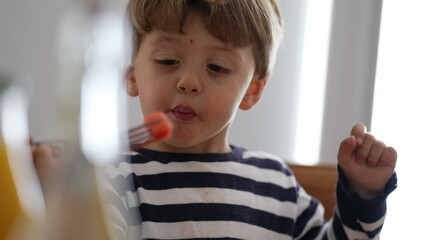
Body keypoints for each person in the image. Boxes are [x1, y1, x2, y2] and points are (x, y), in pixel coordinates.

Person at [33, 0, 398, 239]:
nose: (189, 82)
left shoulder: (276, 185)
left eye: (217, 67)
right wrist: (59, 192)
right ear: (130, 74)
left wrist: (363, 195)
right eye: (167, 61)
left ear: (253, 90)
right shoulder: (112, 179)